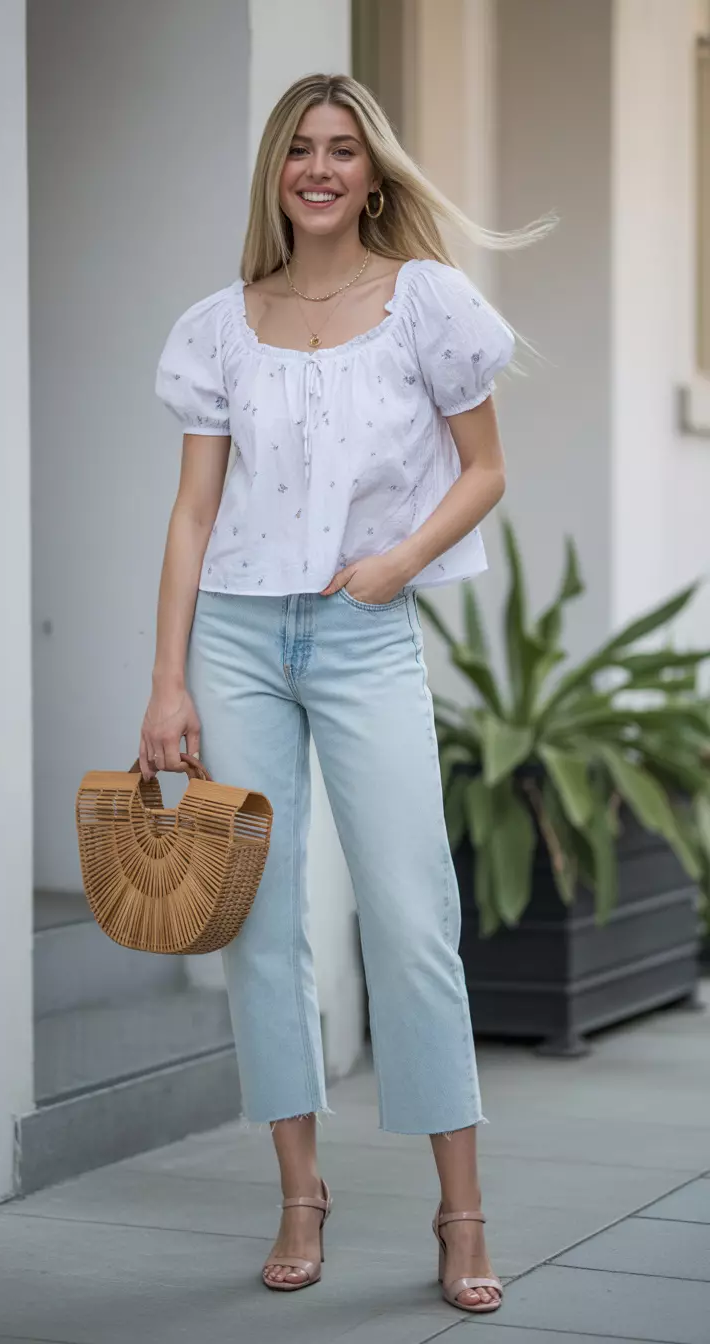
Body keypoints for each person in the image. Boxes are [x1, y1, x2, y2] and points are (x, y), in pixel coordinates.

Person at [143, 73, 544, 1313]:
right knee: (262, 928)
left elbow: (485, 470)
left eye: (343, 150)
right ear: (276, 172)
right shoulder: (220, 325)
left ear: (373, 175)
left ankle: (461, 1213)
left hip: (366, 628)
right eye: (300, 150)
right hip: (238, 638)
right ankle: (300, 1195)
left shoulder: (427, 301)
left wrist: (398, 564)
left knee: (413, 919)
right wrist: (167, 682)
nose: (319, 169)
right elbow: (194, 513)